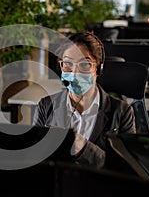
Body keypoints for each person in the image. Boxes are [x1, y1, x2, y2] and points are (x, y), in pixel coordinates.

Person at [32, 32, 136, 169]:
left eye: (85, 64)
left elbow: (127, 168)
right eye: (67, 64)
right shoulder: (46, 105)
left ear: (98, 68)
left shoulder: (122, 112)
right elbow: (33, 156)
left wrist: (83, 147)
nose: (75, 73)